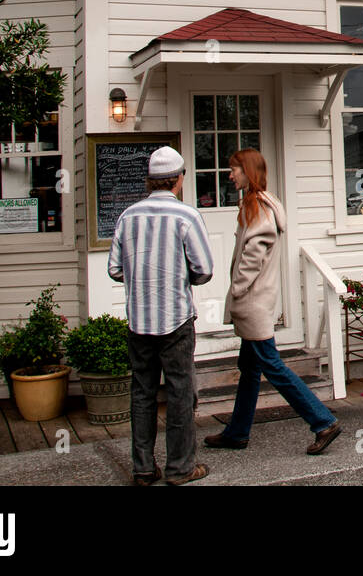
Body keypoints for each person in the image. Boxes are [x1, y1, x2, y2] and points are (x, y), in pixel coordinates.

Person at [205, 148, 341, 456]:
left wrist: (237, 288)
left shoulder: (256, 206)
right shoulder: (261, 204)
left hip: (252, 302)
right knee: (250, 368)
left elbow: (255, 251)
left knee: (273, 367)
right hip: (255, 301)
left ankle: (323, 421)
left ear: (248, 172)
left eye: (235, 169)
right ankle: (237, 432)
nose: (230, 175)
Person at [108, 146, 213, 485]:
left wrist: (140, 277)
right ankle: (180, 468)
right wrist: (181, 278)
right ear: (178, 179)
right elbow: (204, 269)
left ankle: (142, 468)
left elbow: (114, 269)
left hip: (138, 319)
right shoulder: (186, 216)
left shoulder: (128, 216)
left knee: (142, 392)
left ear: (148, 181)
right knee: (181, 392)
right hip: (176, 318)